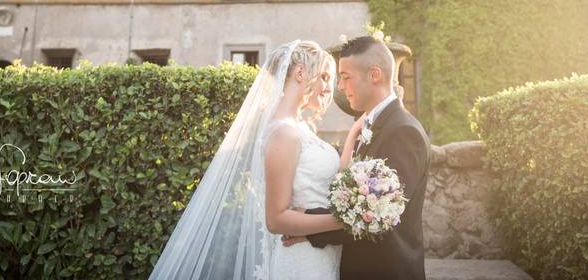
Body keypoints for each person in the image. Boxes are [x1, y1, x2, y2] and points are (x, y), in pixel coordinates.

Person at [149, 39, 353, 279]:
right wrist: (345, 221)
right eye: (325, 78)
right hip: (303, 262)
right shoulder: (283, 134)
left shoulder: (298, 127)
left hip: (322, 254)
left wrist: (355, 133)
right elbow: (276, 219)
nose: (330, 88)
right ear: (300, 73)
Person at [286, 35, 431, 280]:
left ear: (374, 75)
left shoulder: (403, 132)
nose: (340, 87)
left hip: (385, 271)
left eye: (345, 77)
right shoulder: (374, 125)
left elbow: (378, 218)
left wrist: (310, 226)